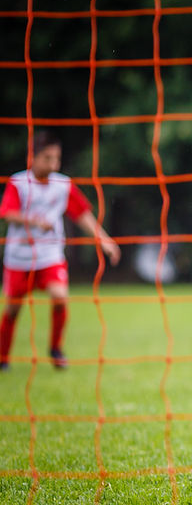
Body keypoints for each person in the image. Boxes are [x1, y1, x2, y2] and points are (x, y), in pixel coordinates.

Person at [0, 131, 121, 371]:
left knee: (60, 297)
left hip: (50, 256)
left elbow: (82, 214)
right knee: (13, 309)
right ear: (33, 157)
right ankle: (3, 357)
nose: (53, 164)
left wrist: (104, 240)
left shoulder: (62, 185)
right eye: (47, 158)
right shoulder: (18, 183)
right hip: (19, 258)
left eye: (57, 158)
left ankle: (56, 349)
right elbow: (6, 212)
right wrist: (33, 221)